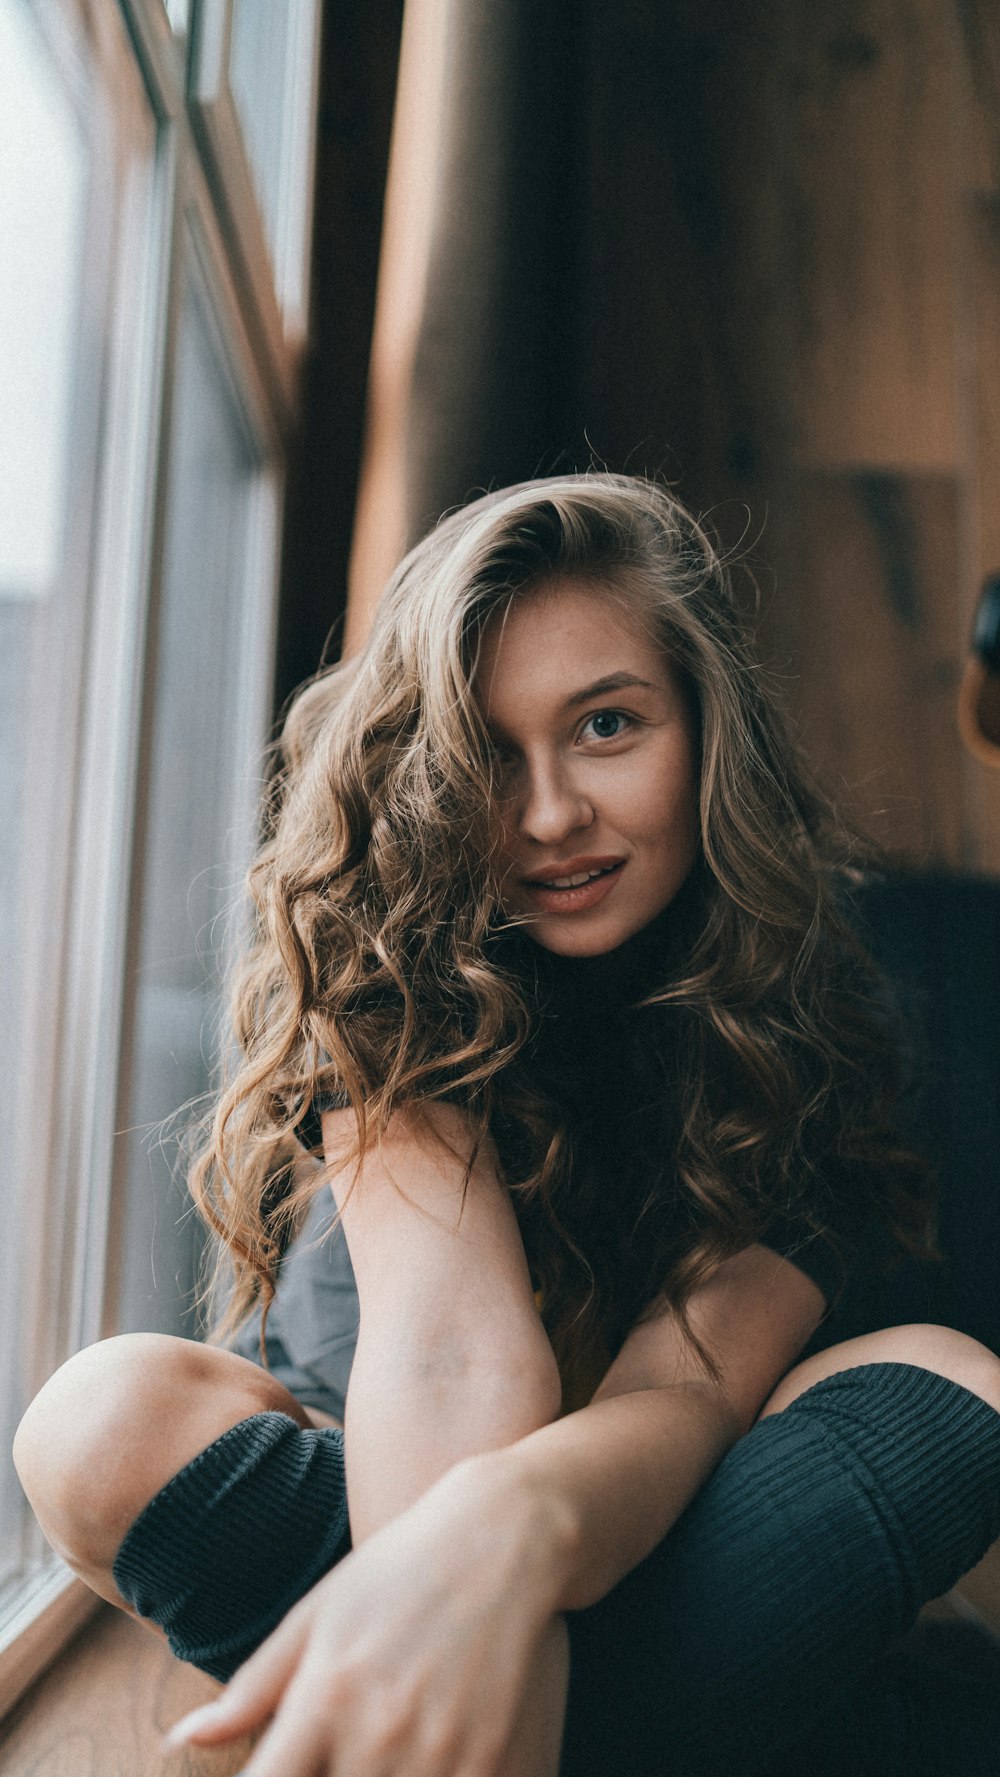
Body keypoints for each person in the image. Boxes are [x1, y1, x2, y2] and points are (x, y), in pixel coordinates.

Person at [14, 474, 1000, 1777]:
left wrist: (510, 1530)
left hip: (656, 1490)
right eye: (490, 753)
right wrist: (456, 1554)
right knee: (101, 1417)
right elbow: (451, 1355)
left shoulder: (807, 990)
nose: (548, 814)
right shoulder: (390, 960)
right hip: (393, 1469)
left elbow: (688, 1382)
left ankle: (412, 1698)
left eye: (605, 724)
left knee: (955, 1380)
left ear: (704, 731)